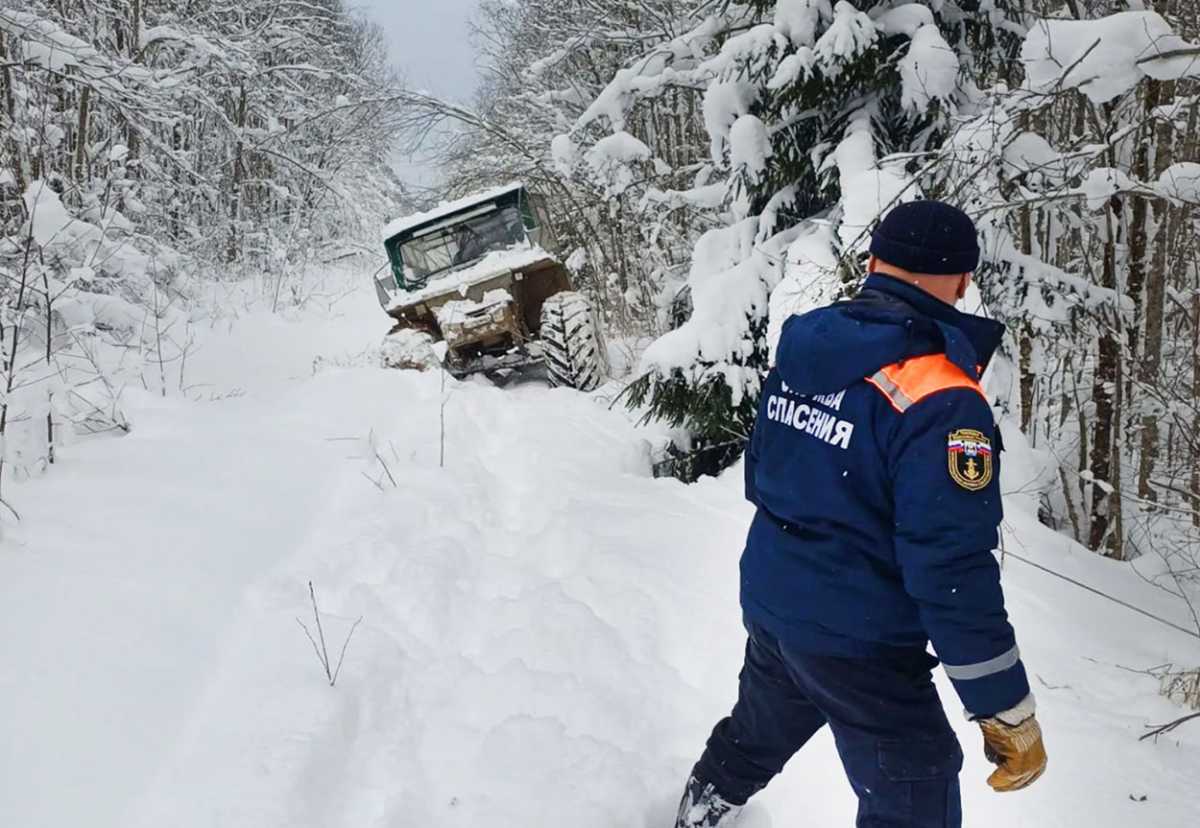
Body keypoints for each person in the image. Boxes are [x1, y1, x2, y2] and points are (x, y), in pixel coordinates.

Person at [675, 201, 1047, 828]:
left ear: (874, 263)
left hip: (776, 603)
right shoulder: (943, 396)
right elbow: (951, 568)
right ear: (962, 281)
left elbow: (765, 475)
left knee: (758, 732)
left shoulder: (807, 344)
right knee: (917, 786)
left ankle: (696, 814)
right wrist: (1004, 707)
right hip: (860, 639)